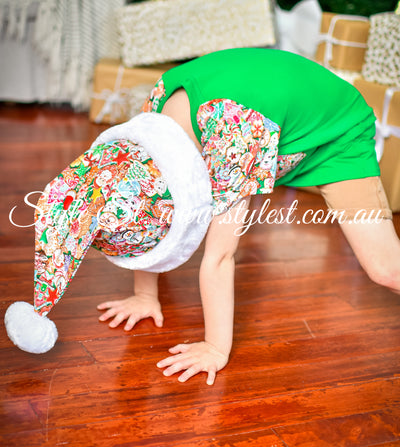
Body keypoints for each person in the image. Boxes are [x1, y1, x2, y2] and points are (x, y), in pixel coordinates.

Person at [5, 49, 400, 385]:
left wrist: (215, 347)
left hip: (334, 129)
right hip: (271, 121)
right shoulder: (155, 115)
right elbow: (143, 213)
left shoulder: (234, 138)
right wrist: (145, 294)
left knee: (384, 268)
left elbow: (220, 257)